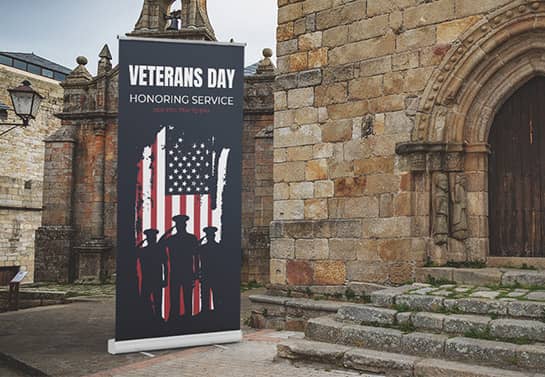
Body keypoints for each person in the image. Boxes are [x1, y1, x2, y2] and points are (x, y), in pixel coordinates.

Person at [162, 215, 198, 319]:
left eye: (180, 225)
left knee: (185, 297)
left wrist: (196, 272)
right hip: (178, 272)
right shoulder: (178, 239)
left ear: (185, 225)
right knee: (176, 297)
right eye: (178, 225)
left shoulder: (188, 238)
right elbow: (160, 245)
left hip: (183, 272)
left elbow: (196, 256)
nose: (180, 226)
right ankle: (178, 318)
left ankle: (185, 317)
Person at [138, 229, 167, 318]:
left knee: (154, 301)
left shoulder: (143, 251)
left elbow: (165, 265)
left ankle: (154, 317)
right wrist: (165, 279)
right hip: (152, 279)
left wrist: (141, 243)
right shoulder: (159, 250)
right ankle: (155, 317)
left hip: (150, 279)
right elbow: (165, 265)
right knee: (153, 300)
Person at [198, 226, 221, 312]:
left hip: (209, 275)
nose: (209, 237)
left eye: (209, 235)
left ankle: (207, 312)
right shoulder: (218, 247)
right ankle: (212, 312)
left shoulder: (203, 248)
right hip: (210, 275)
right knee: (209, 295)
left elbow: (195, 248)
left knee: (209, 296)